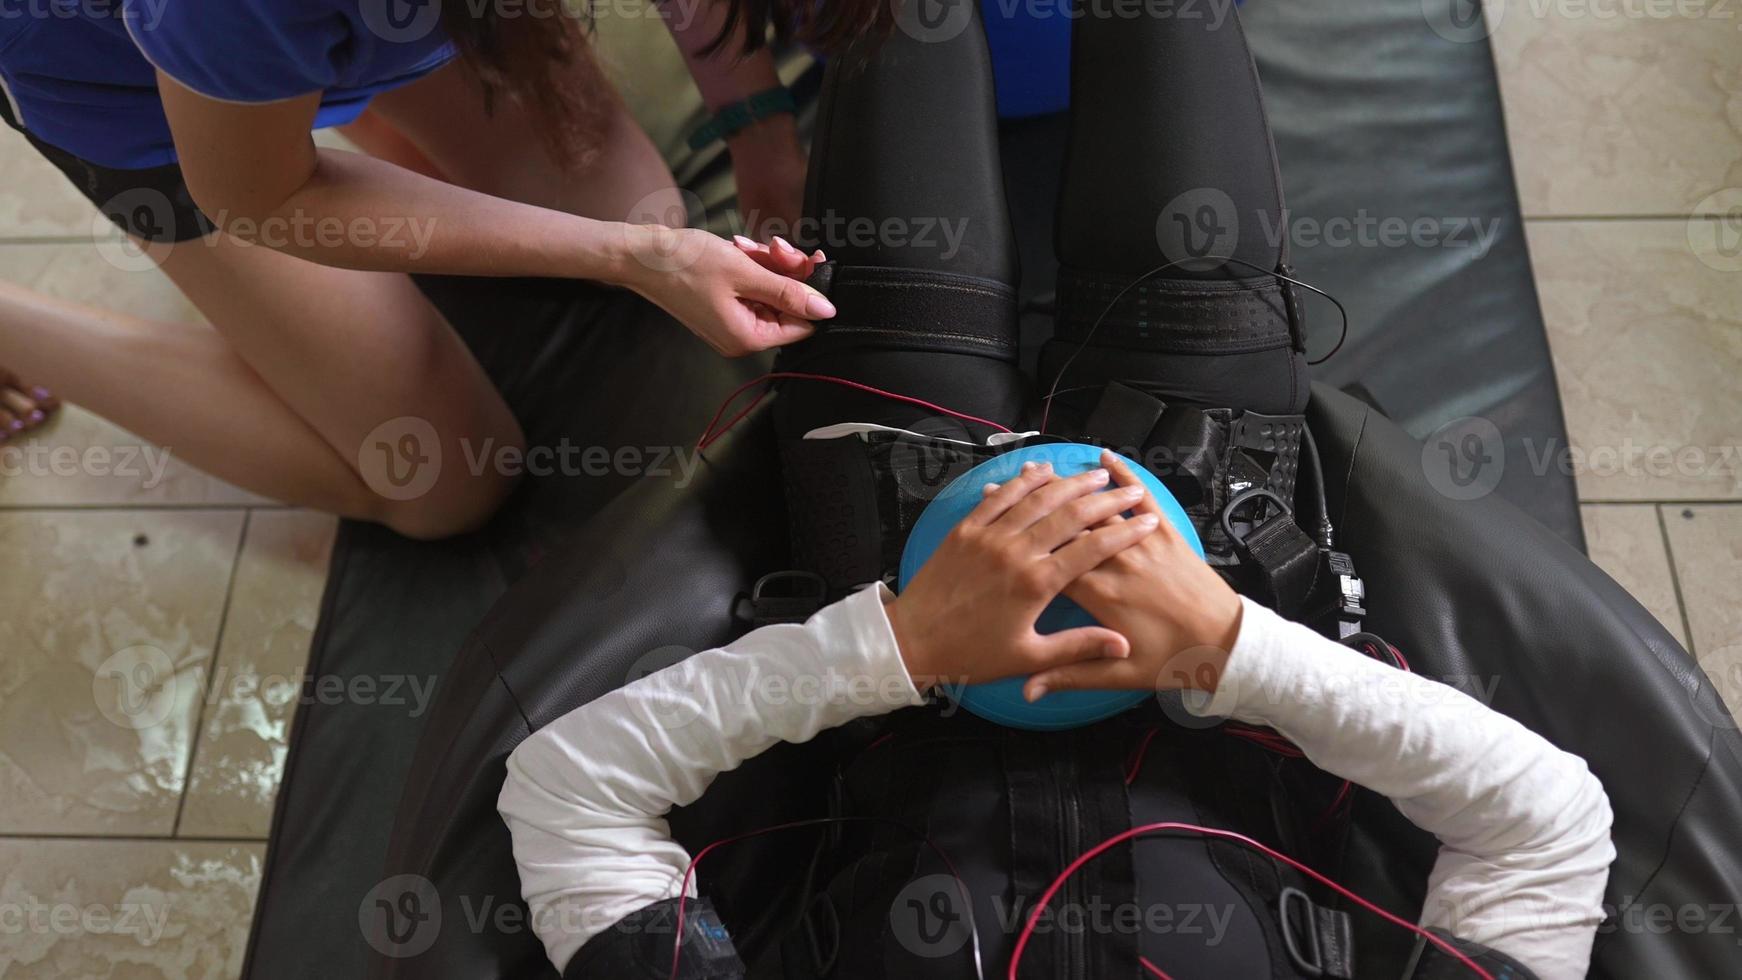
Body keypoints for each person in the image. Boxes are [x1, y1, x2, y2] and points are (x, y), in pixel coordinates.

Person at [498, 5, 1614, 978]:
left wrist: (902, 644)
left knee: (897, 22)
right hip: (1205, 535)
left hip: (899, 540)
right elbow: (1546, 827)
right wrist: (1222, 642)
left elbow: (568, 795)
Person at [0, 0, 881, 537]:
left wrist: (762, 137)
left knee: (631, 199)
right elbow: (260, 195)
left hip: (300, 34)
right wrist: (634, 260)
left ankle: (324, 89)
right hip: (118, 79)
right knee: (441, 478)